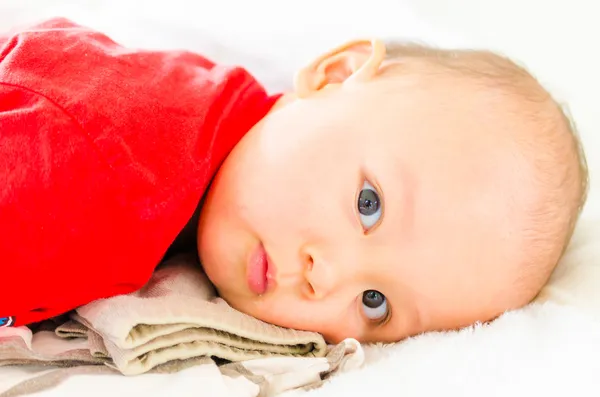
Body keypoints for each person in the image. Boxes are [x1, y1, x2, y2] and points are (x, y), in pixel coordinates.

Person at [0, 18, 588, 343]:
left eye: (375, 303)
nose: (325, 277)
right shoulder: (97, 175)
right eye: (368, 204)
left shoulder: (218, 129)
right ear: (335, 73)